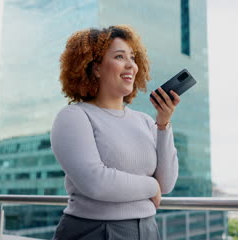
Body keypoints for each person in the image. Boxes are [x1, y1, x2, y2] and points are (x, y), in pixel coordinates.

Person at [50, 25, 180, 239]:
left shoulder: (146, 121)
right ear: (95, 68)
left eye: (133, 57)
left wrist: (164, 125)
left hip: (148, 229)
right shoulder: (74, 116)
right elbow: (96, 183)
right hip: (93, 231)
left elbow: (165, 184)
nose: (131, 65)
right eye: (120, 57)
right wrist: (150, 185)